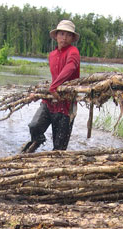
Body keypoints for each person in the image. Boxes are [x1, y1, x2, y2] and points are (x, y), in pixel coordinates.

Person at [21, 20, 80, 153]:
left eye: (68, 35)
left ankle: (54, 169)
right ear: (56, 36)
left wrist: (54, 86)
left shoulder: (73, 52)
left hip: (66, 104)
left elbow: (70, 67)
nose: (64, 37)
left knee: (59, 147)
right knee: (34, 126)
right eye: (62, 34)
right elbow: (55, 76)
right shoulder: (52, 55)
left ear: (72, 38)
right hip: (49, 101)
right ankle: (39, 141)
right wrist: (38, 93)